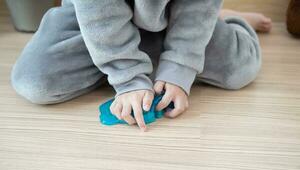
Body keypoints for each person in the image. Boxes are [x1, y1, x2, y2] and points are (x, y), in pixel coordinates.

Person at [11, 0, 271, 131]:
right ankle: (139, 56)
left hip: (175, 18)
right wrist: (128, 76)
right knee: (34, 80)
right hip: (93, 21)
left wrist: (180, 64)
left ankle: (228, 19)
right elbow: (98, 10)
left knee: (241, 67)